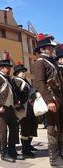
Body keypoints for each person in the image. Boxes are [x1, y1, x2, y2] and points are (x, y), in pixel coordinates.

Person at [33, 34, 63, 167]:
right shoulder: (40, 62)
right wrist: (49, 101)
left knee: (60, 127)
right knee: (53, 128)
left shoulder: (51, 62)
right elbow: (39, 83)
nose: (53, 49)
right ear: (43, 49)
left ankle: (60, 153)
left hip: (59, 98)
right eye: (50, 47)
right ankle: (54, 158)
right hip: (51, 100)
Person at [0, 59, 23, 162]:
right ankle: (4, 153)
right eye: (7, 68)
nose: (9, 69)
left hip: (10, 108)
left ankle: (12, 151)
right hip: (1, 109)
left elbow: (12, 92)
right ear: (1, 68)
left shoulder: (9, 79)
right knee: (2, 132)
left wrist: (16, 102)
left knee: (14, 129)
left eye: (9, 68)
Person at [12, 62, 38, 158]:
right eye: (20, 72)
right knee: (25, 128)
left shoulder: (25, 81)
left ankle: (28, 145)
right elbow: (17, 94)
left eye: (23, 72)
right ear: (17, 73)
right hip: (24, 108)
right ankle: (25, 149)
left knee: (32, 126)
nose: (23, 73)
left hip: (30, 107)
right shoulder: (16, 81)